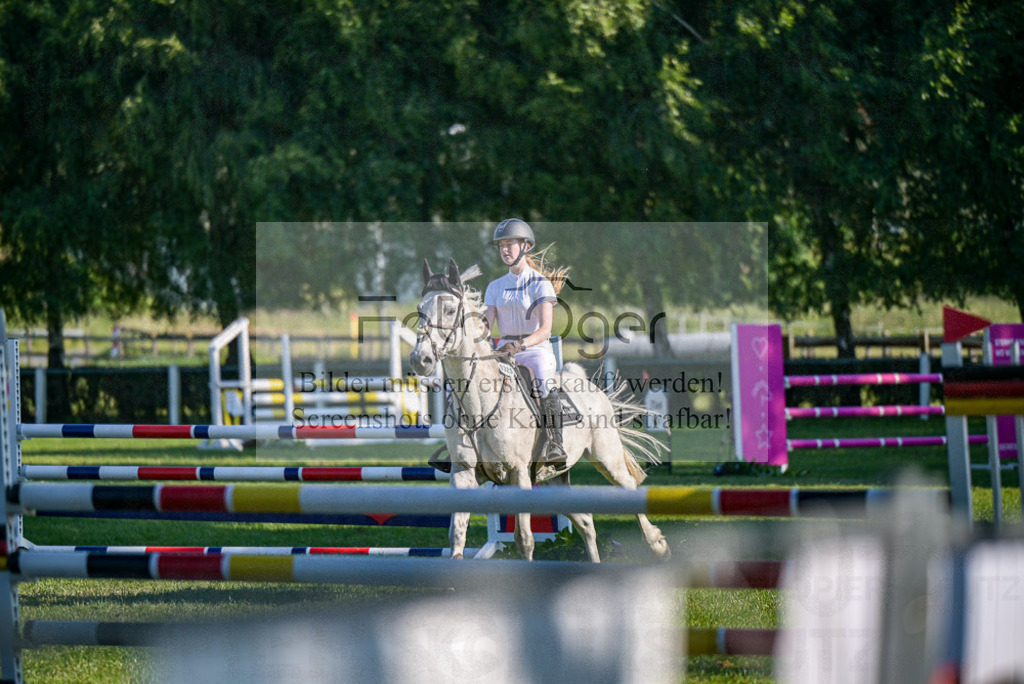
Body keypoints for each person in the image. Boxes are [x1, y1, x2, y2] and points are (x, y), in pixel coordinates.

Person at [482, 218, 568, 466]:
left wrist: (520, 345)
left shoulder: (540, 284)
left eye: (510, 244)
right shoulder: (495, 286)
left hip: (534, 350)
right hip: (503, 351)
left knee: (541, 378)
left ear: (525, 247)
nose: (505, 250)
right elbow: (487, 326)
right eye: (501, 246)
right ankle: (462, 440)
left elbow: (545, 330)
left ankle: (554, 442)